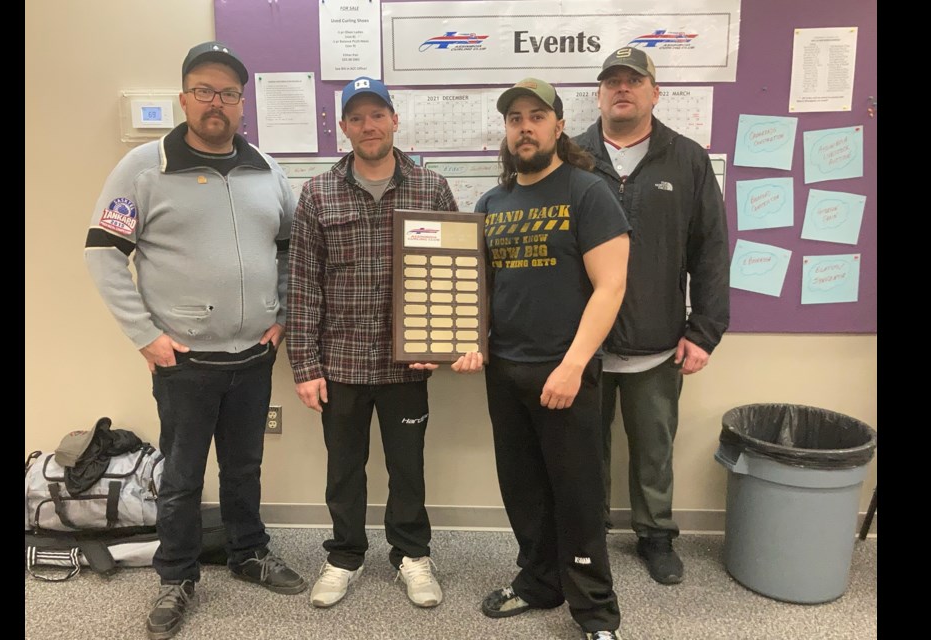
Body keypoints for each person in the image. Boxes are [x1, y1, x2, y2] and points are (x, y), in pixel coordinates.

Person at [84, 41, 305, 640]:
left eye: (229, 93)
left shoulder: (266, 167)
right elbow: (103, 254)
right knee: (181, 476)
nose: (217, 103)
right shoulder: (142, 168)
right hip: (183, 359)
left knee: (244, 466)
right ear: (184, 98)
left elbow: (291, 245)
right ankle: (176, 576)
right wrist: (145, 335)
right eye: (204, 91)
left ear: (242, 103)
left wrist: (280, 309)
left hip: (256, 354)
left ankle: (248, 551)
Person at [452, 78, 631, 640]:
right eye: (513, 119)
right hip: (505, 371)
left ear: (557, 125)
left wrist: (574, 364)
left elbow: (611, 286)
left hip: (567, 372)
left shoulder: (587, 192)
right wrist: (471, 338)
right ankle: (537, 583)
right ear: (506, 133)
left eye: (536, 116)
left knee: (577, 494)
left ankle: (596, 612)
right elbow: (479, 286)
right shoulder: (492, 203)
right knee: (523, 488)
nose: (524, 127)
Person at [286, 76, 458, 610]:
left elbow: (455, 275)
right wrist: (304, 366)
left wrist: (447, 343)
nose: (368, 126)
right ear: (344, 128)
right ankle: (344, 556)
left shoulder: (431, 188)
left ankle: (411, 554)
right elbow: (302, 284)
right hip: (340, 364)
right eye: (356, 118)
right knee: (344, 469)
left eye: (377, 114)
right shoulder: (317, 193)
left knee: (408, 468)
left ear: (394, 120)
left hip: (408, 365)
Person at [572, 46, 730, 585]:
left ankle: (656, 535)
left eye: (633, 81)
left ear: (654, 93)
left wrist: (704, 331)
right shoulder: (572, 157)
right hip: (583, 346)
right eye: (612, 81)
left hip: (658, 341)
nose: (622, 88)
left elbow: (711, 250)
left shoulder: (686, 159)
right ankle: (587, 531)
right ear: (598, 94)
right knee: (582, 450)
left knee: (654, 450)